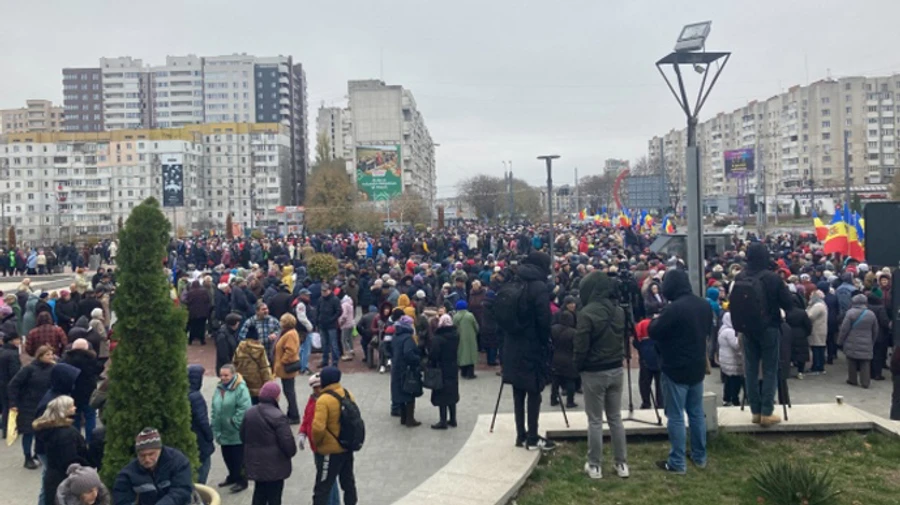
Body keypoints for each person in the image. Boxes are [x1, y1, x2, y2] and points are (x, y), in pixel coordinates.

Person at [649, 269, 711, 475]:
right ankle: (700, 456)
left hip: (674, 367)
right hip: (697, 365)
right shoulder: (703, 305)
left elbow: (654, 331)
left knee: (675, 415)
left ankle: (677, 461)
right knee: (696, 412)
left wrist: (655, 320)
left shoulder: (673, 309)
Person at [573, 270, 628, 479]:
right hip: (616, 368)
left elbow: (580, 346)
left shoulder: (586, 314)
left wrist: (577, 367)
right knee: (615, 418)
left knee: (595, 420)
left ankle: (594, 465)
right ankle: (621, 463)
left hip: (594, 370)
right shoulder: (619, 311)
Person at [734, 242, 794, 426]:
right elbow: (788, 304)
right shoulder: (772, 278)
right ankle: (767, 412)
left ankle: (755, 411)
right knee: (770, 369)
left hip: (747, 328)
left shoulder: (740, 276)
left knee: (750, 369)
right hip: (769, 328)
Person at [501, 251, 554, 451]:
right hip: (532, 345)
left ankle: (520, 435)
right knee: (534, 391)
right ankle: (532, 437)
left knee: (518, 392)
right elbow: (544, 320)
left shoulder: (513, 280)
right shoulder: (538, 287)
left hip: (511, 344)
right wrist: (545, 342)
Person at [241, 381, 297, 505]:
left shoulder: (249, 412)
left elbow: (243, 436)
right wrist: (291, 453)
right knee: (274, 497)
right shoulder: (278, 416)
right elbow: (288, 443)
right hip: (275, 465)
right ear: (276, 396)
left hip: (256, 463)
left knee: (259, 493)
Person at [311, 366, 358, 505]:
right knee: (348, 483)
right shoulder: (348, 394)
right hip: (347, 447)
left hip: (330, 451)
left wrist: (318, 443)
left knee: (322, 488)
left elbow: (318, 428)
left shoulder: (323, 399)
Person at [112, 428, 194, 505]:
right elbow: (121, 500)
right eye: (142, 455)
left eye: (151, 454)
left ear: (160, 450)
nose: (147, 459)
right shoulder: (128, 474)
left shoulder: (177, 461)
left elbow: (182, 491)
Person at [33, 395, 89, 505]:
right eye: (71, 406)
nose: (75, 408)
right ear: (64, 410)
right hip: (64, 479)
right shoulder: (66, 434)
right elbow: (70, 460)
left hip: (53, 476)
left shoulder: (50, 429)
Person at [8, 344, 55, 469]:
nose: (51, 357)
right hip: (28, 405)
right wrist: (13, 403)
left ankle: (39, 453)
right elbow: (14, 385)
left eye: (52, 354)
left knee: (43, 432)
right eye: (48, 355)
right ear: (40, 356)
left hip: (46, 405)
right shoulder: (29, 369)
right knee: (28, 432)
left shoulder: (53, 368)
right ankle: (27, 457)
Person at [298, 374, 341, 505]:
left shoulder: (326, 401)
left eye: (318, 387)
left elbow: (321, 426)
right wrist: (303, 432)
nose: (317, 390)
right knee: (328, 479)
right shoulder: (312, 400)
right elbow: (307, 418)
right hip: (316, 447)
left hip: (325, 447)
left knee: (326, 480)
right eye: (314, 387)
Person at [211, 364, 251, 493]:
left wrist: (234, 423)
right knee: (227, 457)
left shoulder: (241, 389)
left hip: (236, 432)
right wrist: (215, 425)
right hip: (223, 431)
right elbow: (214, 407)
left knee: (238, 458)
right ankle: (232, 476)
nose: (223, 378)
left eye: (226, 375)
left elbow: (244, 408)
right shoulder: (219, 388)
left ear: (233, 375)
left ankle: (242, 481)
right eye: (221, 375)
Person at [61, 338, 102, 444]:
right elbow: (98, 370)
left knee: (75, 417)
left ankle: (76, 441)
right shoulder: (91, 358)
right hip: (89, 392)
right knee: (90, 416)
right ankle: (90, 440)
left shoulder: (67, 359)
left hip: (73, 392)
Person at [837, 294, 879, 389]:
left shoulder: (850, 313)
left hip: (852, 341)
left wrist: (840, 341)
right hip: (867, 341)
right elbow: (875, 329)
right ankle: (865, 382)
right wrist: (872, 340)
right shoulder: (871, 314)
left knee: (851, 360)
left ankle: (852, 379)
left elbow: (844, 329)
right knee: (865, 362)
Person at [391, 315, 423, 427]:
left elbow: (388, 348)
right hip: (407, 370)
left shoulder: (396, 336)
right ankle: (410, 419)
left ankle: (403, 418)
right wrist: (418, 359)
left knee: (400, 392)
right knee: (410, 393)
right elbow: (408, 353)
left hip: (396, 368)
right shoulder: (408, 338)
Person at [429, 314, 460, 430]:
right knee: (452, 392)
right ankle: (453, 419)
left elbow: (434, 354)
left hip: (441, 368)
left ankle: (443, 421)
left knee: (441, 394)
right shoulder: (456, 336)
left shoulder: (438, 338)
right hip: (453, 367)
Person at [187, 364, 215, 485]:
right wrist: (210, 436)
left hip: (190, 436)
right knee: (204, 465)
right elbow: (202, 420)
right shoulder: (196, 397)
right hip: (200, 439)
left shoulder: (184, 393)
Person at [233, 324, 273, 404]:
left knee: (244, 402)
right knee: (255, 403)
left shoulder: (240, 348)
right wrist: (268, 381)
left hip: (242, 379)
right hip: (257, 381)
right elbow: (264, 367)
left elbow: (234, 362)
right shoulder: (260, 349)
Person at [274, 313, 302, 424]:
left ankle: (294, 415)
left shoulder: (290, 334)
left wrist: (283, 361)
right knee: (288, 391)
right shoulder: (288, 332)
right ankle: (291, 413)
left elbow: (290, 350)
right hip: (285, 367)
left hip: (287, 368)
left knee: (289, 392)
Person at [550, 310, 579, 409]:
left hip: (555, 356)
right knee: (570, 380)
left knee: (555, 380)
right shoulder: (574, 332)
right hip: (569, 358)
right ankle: (570, 401)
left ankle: (553, 399)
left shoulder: (553, 329)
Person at [238, 301, 281, 365]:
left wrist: (275, 334)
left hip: (270, 353)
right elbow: (241, 337)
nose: (266, 311)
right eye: (263, 309)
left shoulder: (273, 320)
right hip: (256, 356)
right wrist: (252, 343)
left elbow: (281, 330)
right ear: (257, 311)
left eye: (267, 309)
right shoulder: (250, 322)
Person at [633, 317, 662, 410]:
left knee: (644, 382)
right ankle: (661, 403)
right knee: (660, 383)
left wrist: (641, 349)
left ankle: (646, 403)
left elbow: (636, 341)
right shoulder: (662, 321)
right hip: (660, 358)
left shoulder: (641, 324)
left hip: (645, 357)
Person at [717, 312, 744, 406]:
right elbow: (736, 345)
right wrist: (741, 337)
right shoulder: (730, 332)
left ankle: (726, 398)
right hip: (732, 361)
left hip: (725, 360)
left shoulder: (722, 329)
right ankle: (734, 399)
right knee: (735, 381)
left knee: (728, 380)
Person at [0, 331, 22, 439]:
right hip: (10, 383)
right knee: (13, 406)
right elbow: (15, 372)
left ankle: (5, 429)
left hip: (2, 382)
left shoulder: (2, 351)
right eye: (18, 339)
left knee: (5, 406)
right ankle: (12, 429)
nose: (19, 342)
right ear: (12, 341)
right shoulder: (13, 354)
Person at [316, 283, 343, 368]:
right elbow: (317, 311)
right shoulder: (320, 299)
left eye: (325, 291)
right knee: (324, 344)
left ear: (329, 290)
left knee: (333, 344)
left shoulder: (335, 299)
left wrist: (332, 319)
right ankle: (325, 360)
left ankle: (335, 361)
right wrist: (317, 321)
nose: (323, 292)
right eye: (322, 291)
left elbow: (339, 311)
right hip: (322, 325)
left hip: (331, 325)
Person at [453, 300, 479, 379]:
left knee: (462, 354)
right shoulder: (470, 315)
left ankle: (463, 372)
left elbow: (454, 327)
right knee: (470, 355)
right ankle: (470, 374)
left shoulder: (455, 316)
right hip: (470, 338)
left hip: (460, 337)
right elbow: (476, 326)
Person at [806, 290, 828, 375]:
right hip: (821, 329)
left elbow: (810, 316)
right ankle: (820, 366)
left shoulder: (818, 306)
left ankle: (817, 367)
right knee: (820, 348)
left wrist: (807, 309)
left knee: (816, 349)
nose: (810, 297)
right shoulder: (822, 304)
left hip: (817, 329)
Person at [185, 280, 211, 346]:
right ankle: (202, 340)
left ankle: (190, 340)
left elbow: (188, 301)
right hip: (202, 312)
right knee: (202, 326)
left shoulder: (190, 292)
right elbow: (208, 300)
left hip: (193, 312)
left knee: (192, 326)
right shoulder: (204, 291)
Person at [338, 293, 355, 361]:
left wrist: (340, 322)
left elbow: (344, 315)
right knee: (349, 338)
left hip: (346, 324)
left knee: (344, 340)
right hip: (351, 323)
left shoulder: (344, 305)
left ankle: (348, 354)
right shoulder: (350, 304)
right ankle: (351, 350)